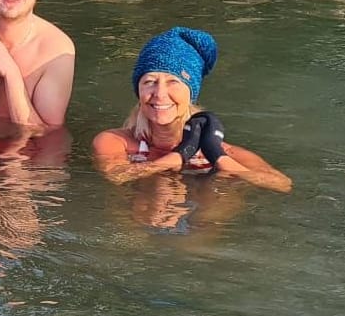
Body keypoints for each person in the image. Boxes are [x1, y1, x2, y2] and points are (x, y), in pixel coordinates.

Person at [91, 26, 292, 193]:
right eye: (150, 82)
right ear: (138, 90)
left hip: (201, 225)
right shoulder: (117, 142)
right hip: (139, 223)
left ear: (190, 93)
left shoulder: (220, 150)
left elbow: (282, 185)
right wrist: (180, 156)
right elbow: (117, 176)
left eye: (173, 82)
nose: (160, 93)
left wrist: (218, 156)